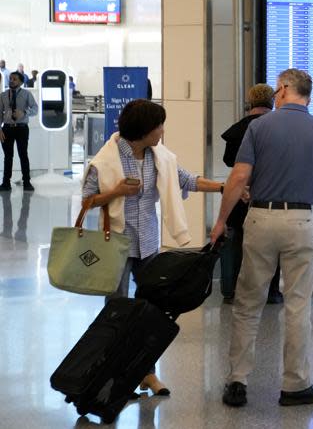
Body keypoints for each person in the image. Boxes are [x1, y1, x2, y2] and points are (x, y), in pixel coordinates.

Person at [210, 68, 313, 408]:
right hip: (301, 220)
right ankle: (295, 385)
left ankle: (237, 382)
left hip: (260, 218)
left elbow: (239, 177)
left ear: (284, 89)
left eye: (277, 90)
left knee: (247, 303)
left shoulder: (258, 127)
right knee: (298, 304)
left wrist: (221, 222)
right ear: (308, 97)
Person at [81, 99, 225, 397]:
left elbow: (188, 180)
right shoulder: (105, 160)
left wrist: (226, 188)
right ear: (144, 130)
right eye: (158, 126)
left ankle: (146, 373)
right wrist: (117, 191)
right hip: (116, 244)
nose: (162, 131)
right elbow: (87, 201)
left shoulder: (159, 156)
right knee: (116, 312)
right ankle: (110, 377)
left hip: (147, 244)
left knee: (153, 311)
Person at [219, 83, 282, 305]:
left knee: (239, 244)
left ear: (250, 101)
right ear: (272, 101)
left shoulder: (237, 130)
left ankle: (234, 291)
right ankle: (272, 292)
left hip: (241, 193)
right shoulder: (278, 127)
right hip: (272, 195)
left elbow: (229, 161)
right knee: (273, 246)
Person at [0, 72, 39, 192]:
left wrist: (24, 112)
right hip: (6, 128)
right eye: (10, 79)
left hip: (21, 128)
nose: (11, 81)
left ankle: (26, 182)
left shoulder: (27, 94)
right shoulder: (3, 95)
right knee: (8, 157)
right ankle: (6, 183)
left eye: (15, 79)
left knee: (23, 155)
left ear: (21, 82)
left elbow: (35, 109)